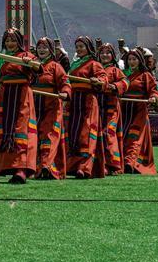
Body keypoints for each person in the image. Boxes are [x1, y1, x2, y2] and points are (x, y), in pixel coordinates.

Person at [0, 28, 40, 184]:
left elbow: (38, 67)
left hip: (22, 97)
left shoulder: (27, 56)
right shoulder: (3, 58)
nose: (10, 43)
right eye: (7, 41)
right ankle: (8, 167)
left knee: (20, 130)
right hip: (5, 96)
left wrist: (30, 64)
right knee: (5, 130)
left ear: (19, 42)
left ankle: (21, 169)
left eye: (13, 40)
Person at [65, 36, 109, 179]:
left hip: (88, 101)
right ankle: (73, 166)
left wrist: (98, 81)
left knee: (86, 133)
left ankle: (85, 167)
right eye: (77, 47)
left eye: (81, 46)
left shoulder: (94, 64)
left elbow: (104, 78)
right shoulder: (74, 64)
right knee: (75, 134)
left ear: (88, 48)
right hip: (75, 102)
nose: (79, 49)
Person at [32, 37, 70, 180]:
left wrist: (65, 92)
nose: (42, 50)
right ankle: (37, 168)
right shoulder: (32, 65)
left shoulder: (55, 66)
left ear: (50, 50)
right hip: (34, 107)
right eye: (39, 47)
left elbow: (65, 81)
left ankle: (46, 166)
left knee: (48, 136)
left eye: (45, 47)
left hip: (51, 107)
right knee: (35, 137)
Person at [120, 49, 158, 174]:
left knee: (134, 137)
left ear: (140, 61)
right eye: (129, 59)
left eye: (134, 59)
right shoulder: (123, 74)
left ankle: (129, 163)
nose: (132, 62)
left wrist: (153, 97)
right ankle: (122, 161)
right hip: (124, 110)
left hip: (139, 111)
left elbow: (154, 90)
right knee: (124, 136)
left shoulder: (145, 75)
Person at [98, 43, 128, 176]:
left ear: (113, 55)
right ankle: (100, 164)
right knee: (97, 134)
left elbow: (125, 83)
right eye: (102, 52)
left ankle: (113, 164)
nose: (105, 55)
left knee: (108, 133)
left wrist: (114, 86)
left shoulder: (115, 70)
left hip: (111, 108)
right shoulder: (95, 68)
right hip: (96, 107)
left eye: (108, 52)